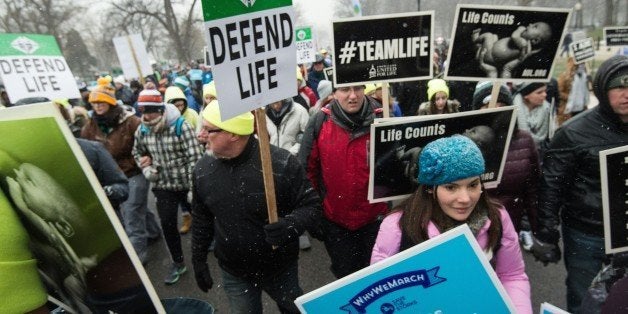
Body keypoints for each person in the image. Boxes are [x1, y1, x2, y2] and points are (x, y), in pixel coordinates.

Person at [371, 135, 532, 314]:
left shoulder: (497, 216)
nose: (465, 198)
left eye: (473, 185)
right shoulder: (398, 226)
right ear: (430, 188)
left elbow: (512, 275)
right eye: (451, 187)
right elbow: (382, 292)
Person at [191, 101, 321, 313]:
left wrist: (290, 225)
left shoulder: (280, 163)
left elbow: (312, 206)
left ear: (233, 134)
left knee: (293, 310)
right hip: (234, 272)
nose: (201, 135)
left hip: (280, 267)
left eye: (208, 129)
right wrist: (198, 259)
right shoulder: (203, 169)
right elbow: (201, 218)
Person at [533, 55, 628, 313]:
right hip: (587, 233)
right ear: (603, 89)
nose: (626, 94)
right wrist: (547, 234)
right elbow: (552, 185)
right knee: (585, 299)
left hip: (626, 231)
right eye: (619, 87)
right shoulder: (573, 133)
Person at [298, 84, 389, 279]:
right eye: (345, 90)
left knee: (379, 279)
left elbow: (398, 168)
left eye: (358, 88)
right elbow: (306, 173)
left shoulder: (384, 117)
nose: (353, 96)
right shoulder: (319, 122)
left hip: (376, 219)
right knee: (347, 279)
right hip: (336, 223)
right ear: (334, 92)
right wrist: (315, 216)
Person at [81, 77, 162, 264]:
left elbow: (147, 140)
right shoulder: (89, 127)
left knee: (131, 213)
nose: (98, 105)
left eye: (101, 101)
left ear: (110, 101)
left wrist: (147, 157)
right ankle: (153, 232)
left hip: (134, 172)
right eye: (94, 102)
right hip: (111, 176)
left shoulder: (130, 121)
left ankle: (137, 259)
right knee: (137, 209)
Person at [132, 89, 204, 285]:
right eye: (143, 111)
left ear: (160, 109)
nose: (146, 115)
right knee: (167, 224)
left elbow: (195, 158)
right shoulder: (142, 129)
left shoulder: (181, 126)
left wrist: (193, 188)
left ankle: (205, 255)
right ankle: (178, 262)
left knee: (201, 218)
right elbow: (136, 152)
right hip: (163, 185)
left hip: (185, 183)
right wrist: (146, 168)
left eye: (150, 111)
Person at [471, 81, 540, 251]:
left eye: (501, 105)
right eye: (486, 106)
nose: (494, 111)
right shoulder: (465, 143)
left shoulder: (524, 140)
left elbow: (533, 189)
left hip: (509, 225)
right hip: (472, 229)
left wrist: (536, 227)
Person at [473, 22, 552, 78]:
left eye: (535, 26)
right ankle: (479, 46)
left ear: (535, 40)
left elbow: (514, 36)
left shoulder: (523, 43)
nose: (530, 24)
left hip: (490, 56)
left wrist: (520, 29)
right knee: (494, 36)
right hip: (493, 57)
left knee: (488, 36)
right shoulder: (525, 46)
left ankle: (475, 40)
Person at [513, 82, 551, 151]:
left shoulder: (547, 108)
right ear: (526, 95)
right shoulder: (514, 112)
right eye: (539, 92)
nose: (545, 95)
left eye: (545, 91)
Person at [557, 57, 591, 126]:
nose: (582, 65)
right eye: (580, 64)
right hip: (568, 109)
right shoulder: (565, 76)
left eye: (583, 63)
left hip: (581, 108)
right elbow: (559, 92)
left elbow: (588, 91)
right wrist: (570, 97)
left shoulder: (585, 76)